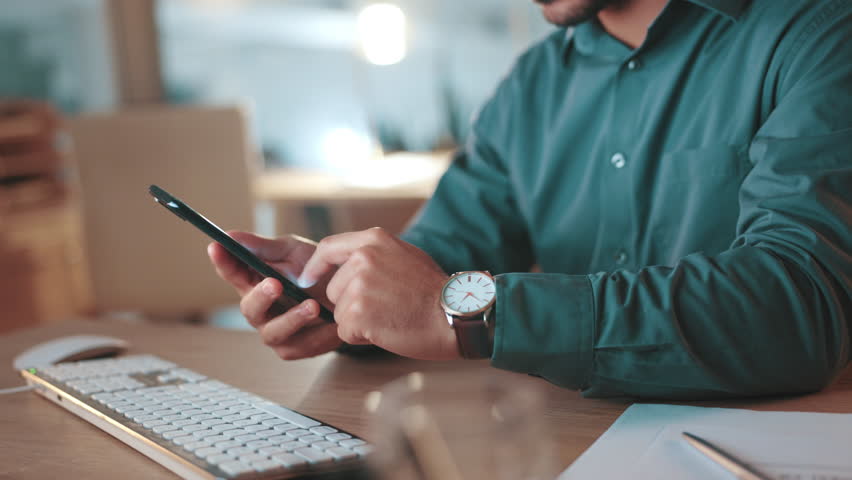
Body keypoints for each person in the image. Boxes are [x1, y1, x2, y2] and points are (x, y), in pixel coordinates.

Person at [209, 0, 852, 399]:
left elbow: (802, 306)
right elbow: (438, 260)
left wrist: (473, 313)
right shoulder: (531, 87)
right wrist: (341, 292)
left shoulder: (820, 32)